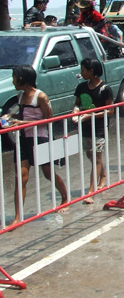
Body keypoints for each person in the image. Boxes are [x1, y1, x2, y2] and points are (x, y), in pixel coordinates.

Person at [3, 66, 69, 228]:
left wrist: (23, 122)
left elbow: (49, 120)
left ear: (21, 78)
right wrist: (11, 116)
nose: (12, 81)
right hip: (24, 141)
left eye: (14, 77)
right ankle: (19, 216)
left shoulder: (40, 96)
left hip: (39, 139)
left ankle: (65, 197)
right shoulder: (20, 96)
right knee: (21, 178)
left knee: (48, 174)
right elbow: (24, 116)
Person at [73, 59, 114, 204]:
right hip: (85, 127)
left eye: (83, 70)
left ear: (91, 71)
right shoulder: (82, 87)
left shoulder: (105, 89)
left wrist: (91, 115)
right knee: (90, 155)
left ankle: (91, 191)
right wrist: (76, 112)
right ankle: (103, 174)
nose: (81, 72)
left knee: (96, 158)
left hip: (99, 128)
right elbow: (77, 104)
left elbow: (110, 110)